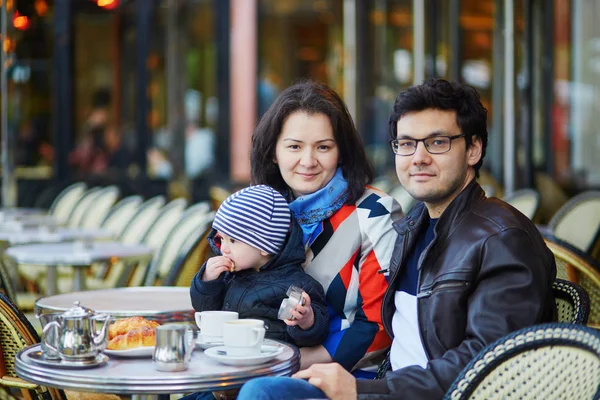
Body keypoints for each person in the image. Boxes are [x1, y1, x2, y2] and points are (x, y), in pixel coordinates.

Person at [237, 78, 557, 399]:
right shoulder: (417, 224)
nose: (418, 157)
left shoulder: (502, 239)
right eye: (406, 143)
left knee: (260, 393)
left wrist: (361, 387)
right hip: (386, 384)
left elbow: (489, 363)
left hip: (401, 390)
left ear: (473, 148)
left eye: (437, 142)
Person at [249, 80, 403, 376]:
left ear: (341, 152)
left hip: (344, 376)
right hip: (263, 364)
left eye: (323, 147)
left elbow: (378, 328)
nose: (308, 161)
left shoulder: (374, 212)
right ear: (273, 152)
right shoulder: (264, 210)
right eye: (294, 146)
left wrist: (277, 365)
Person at [190, 184, 329, 346]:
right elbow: (204, 310)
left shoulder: (298, 285)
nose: (224, 248)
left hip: (267, 361)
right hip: (225, 355)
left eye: (233, 240)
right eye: (221, 238)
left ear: (265, 245)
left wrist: (307, 321)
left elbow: (317, 335)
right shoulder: (227, 276)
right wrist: (207, 282)